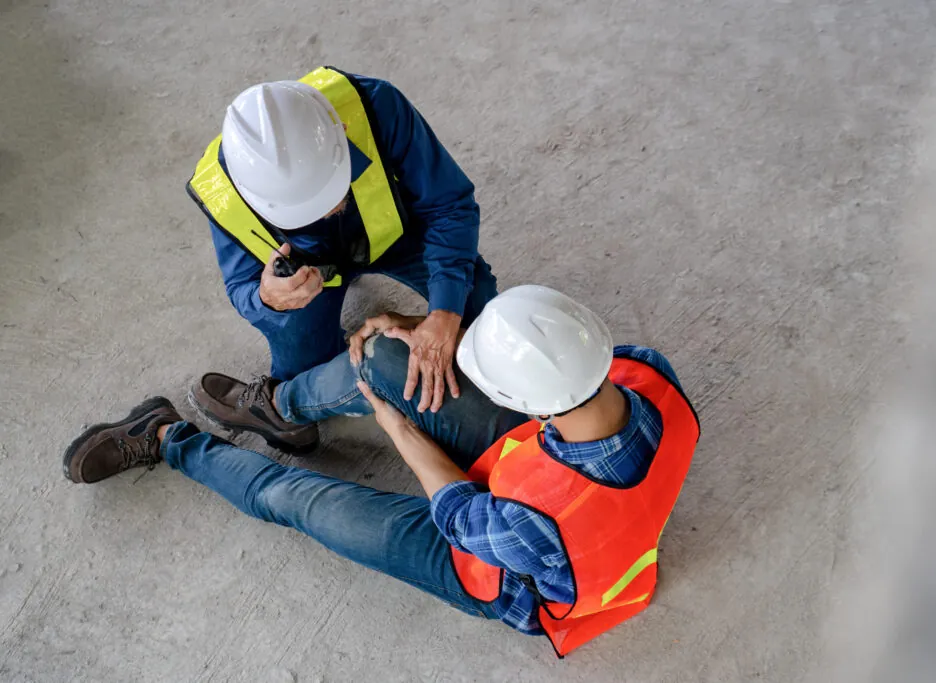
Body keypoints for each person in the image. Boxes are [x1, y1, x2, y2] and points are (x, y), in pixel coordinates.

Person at [62, 286, 700, 656]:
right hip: (546, 494)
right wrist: (422, 331)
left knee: (295, 501)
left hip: (501, 570)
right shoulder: (645, 374)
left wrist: (396, 424)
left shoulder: (536, 523)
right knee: (391, 356)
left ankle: (167, 438)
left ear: (520, 405)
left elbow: (457, 509)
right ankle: (280, 411)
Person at [187, 66, 496, 429]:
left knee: (483, 319)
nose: (322, 210)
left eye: (328, 188)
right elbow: (241, 285)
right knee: (307, 376)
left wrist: (444, 313)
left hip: (399, 237)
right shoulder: (221, 190)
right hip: (311, 276)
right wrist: (268, 299)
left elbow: (448, 207)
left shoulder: (375, 104)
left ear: (342, 131)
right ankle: (280, 405)